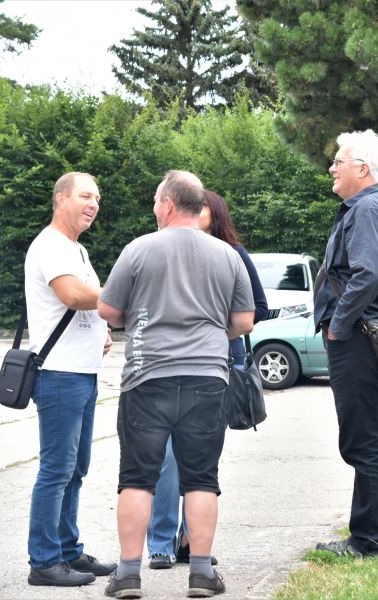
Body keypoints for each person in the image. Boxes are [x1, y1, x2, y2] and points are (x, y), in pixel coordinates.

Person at [97, 170, 255, 598]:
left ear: (167, 204)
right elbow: (243, 321)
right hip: (208, 379)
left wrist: (140, 316)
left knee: (137, 479)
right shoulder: (228, 256)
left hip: (147, 378)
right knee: (202, 478)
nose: (154, 207)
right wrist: (209, 331)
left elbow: (108, 310)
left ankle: (128, 574)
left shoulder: (138, 249)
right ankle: (201, 573)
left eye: (155, 200)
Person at [146, 190, 268, 569]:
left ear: (215, 216)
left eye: (200, 209)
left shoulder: (232, 254)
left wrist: (213, 334)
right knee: (167, 457)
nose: (192, 214)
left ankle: (190, 541)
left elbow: (258, 309)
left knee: (199, 458)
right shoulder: (165, 250)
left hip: (217, 366)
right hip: (168, 366)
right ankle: (161, 543)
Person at [313, 130, 378, 558]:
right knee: (373, 438)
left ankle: (368, 539)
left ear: (362, 169)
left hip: (358, 337)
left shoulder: (368, 208)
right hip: (366, 336)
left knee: (362, 441)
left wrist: (339, 324)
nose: (332, 167)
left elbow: (368, 274)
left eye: (339, 161)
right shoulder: (372, 206)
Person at [24, 172, 116, 587]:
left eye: (97, 198)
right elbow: (74, 296)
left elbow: (82, 306)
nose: (93, 204)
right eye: (85, 195)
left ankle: (67, 550)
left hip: (82, 372)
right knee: (57, 469)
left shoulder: (76, 249)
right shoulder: (51, 245)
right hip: (60, 374)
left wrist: (102, 330)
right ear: (60, 198)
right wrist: (122, 292)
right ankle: (44, 561)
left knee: (76, 468)